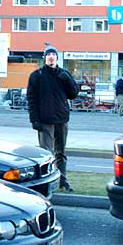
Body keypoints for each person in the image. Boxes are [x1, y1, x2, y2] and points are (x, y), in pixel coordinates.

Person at [27, 44, 79, 193]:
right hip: (44, 120)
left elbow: (73, 94)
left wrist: (67, 80)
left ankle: (63, 181)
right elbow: (31, 99)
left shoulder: (64, 74)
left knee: (61, 153)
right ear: (45, 58)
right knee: (46, 154)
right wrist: (34, 119)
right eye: (48, 54)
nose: (51, 57)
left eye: (53, 54)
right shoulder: (37, 76)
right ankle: (45, 183)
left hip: (62, 119)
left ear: (57, 57)